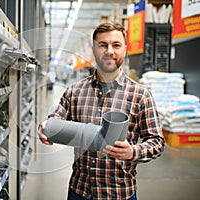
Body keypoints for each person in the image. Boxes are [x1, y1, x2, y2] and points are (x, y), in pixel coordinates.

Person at [38, 21, 165, 200]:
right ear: (94, 50)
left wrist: (133, 152)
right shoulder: (75, 91)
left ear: (125, 50)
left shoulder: (141, 95)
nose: (109, 51)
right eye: (102, 45)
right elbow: (56, 118)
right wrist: (46, 126)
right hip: (80, 191)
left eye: (116, 45)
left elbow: (157, 142)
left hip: (119, 193)